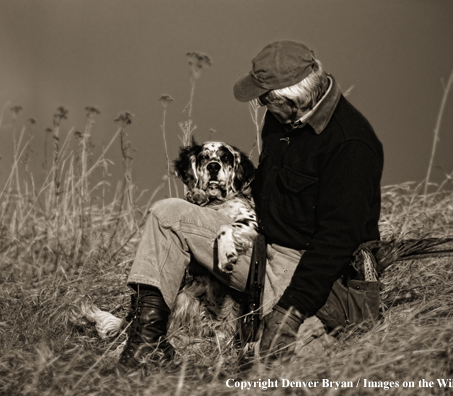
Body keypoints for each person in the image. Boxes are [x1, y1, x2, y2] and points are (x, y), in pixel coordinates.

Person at [115, 40, 383, 372]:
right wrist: (219, 209)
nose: (260, 104)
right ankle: (146, 348)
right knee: (168, 213)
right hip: (258, 244)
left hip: (311, 271)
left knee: (269, 366)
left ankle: (303, 337)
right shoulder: (282, 118)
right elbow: (266, 188)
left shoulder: (351, 145)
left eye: (265, 97)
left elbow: (337, 243)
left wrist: (290, 313)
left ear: (292, 95)